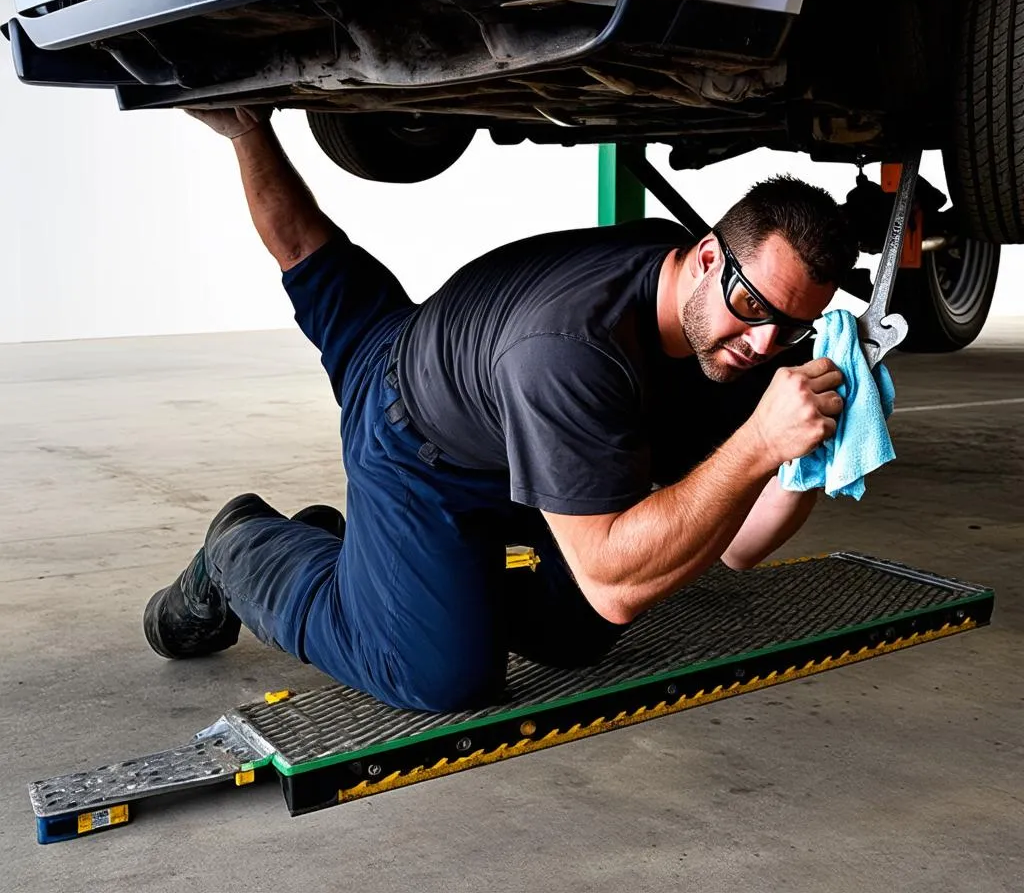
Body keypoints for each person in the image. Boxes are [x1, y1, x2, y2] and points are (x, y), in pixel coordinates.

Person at [144, 107, 857, 712]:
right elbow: (615, 582)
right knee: (442, 676)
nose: (764, 343)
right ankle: (242, 546)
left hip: (475, 384)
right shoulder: (575, 351)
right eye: (753, 306)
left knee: (573, 633)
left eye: (792, 326)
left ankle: (383, 573)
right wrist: (760, 442)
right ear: (706, 257)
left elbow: (736, 544)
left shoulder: (716, 327)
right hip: (413, 444)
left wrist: (809, 462)